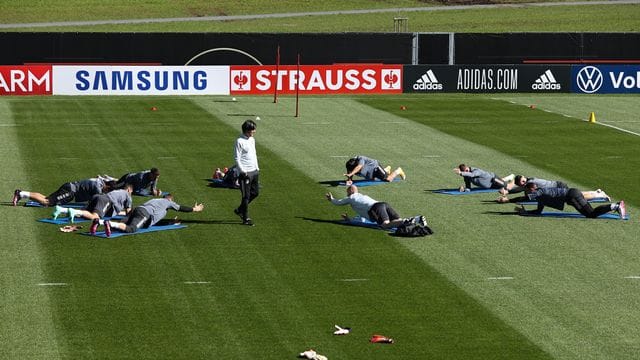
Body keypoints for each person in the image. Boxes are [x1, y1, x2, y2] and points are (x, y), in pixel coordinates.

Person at [90, 194, 204, 236]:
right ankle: (108, 223)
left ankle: (98, 222)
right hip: (144, 214)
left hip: (138, 210)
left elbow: (155, 221)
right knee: (131, 229)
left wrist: (170, 222)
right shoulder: (167, 203)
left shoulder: (156, 202)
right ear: (170, 200)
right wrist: (194, 209)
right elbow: (180, 208)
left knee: (122, 224)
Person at [325, 184, 427, 229]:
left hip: (375, 208)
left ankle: (409, 220)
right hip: (383, 204)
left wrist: (331, 199)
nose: (347, 192)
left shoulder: (351, 197)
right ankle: (417, 219)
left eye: (347, 190)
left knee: (385, 225)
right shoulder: (362, 196)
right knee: (397, 221)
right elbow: (361, 217)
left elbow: (338, 203)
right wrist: (349, 219)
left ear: (351, 191)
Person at [516, 182, 626, 219]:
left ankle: (616, 206)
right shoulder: (540, 196)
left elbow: (529, 197)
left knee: (591, 214)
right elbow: (538, 211)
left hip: (572, 195)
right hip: (572, 195)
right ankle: (615, 206)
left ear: (532, 189)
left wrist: (511, 200)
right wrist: (526, 212)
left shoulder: (540, 191)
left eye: (528, 190)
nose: (529, 193)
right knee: (590, 213)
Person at [51, 185, 133, 223]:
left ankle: (61, 210)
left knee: (84, 213)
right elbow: (128, 212)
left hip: (98, 197)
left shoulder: (118, 192)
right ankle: (73, 211)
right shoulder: (127, 195)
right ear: (129, 190)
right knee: (94, 217)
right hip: (105, 200)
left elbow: (117, 210)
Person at [498, 175, 610, 203]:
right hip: (558, 186)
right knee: (578, 194)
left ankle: (599, 195)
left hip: (558, 187)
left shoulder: (530, 183)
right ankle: (597, 192)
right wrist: (508, 192)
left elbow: (526, 196)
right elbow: (521, 190)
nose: (524, 181)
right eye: (522, 181)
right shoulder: (528, 182)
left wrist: (508, 199)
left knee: (578, 197)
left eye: (523, 179)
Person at [12, 177, 113, 207]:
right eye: (108, 190)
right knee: (48, 202)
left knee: (46, 199)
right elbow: (95, 201)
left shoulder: (99, 181)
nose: (106, 192)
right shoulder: (98, 188)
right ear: (107, 186)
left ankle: (21, 193)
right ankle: (20, 194)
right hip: (69, 191)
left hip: (69, 187)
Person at [233, 120, 260, 226]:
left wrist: (257, 167)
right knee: (246, 196)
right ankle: (245, 218)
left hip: (254, 171)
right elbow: (237, 158)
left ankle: (240, 209)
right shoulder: (239, 141)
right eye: (252, 130)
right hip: (245, 173)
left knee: (256, 193)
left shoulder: (252, 139)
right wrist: (243, 171)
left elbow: (254, 154)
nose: (254, 132)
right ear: (246, 130)